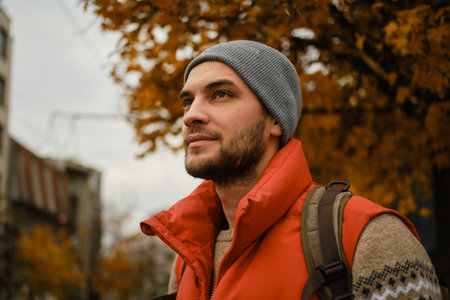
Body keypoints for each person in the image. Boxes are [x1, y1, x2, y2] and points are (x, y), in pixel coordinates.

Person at [140, 40, 442, 299]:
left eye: (221, 94)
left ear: (275, 120)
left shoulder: (367, 237)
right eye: (187, 100)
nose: (191, 115)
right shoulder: (188, 258)